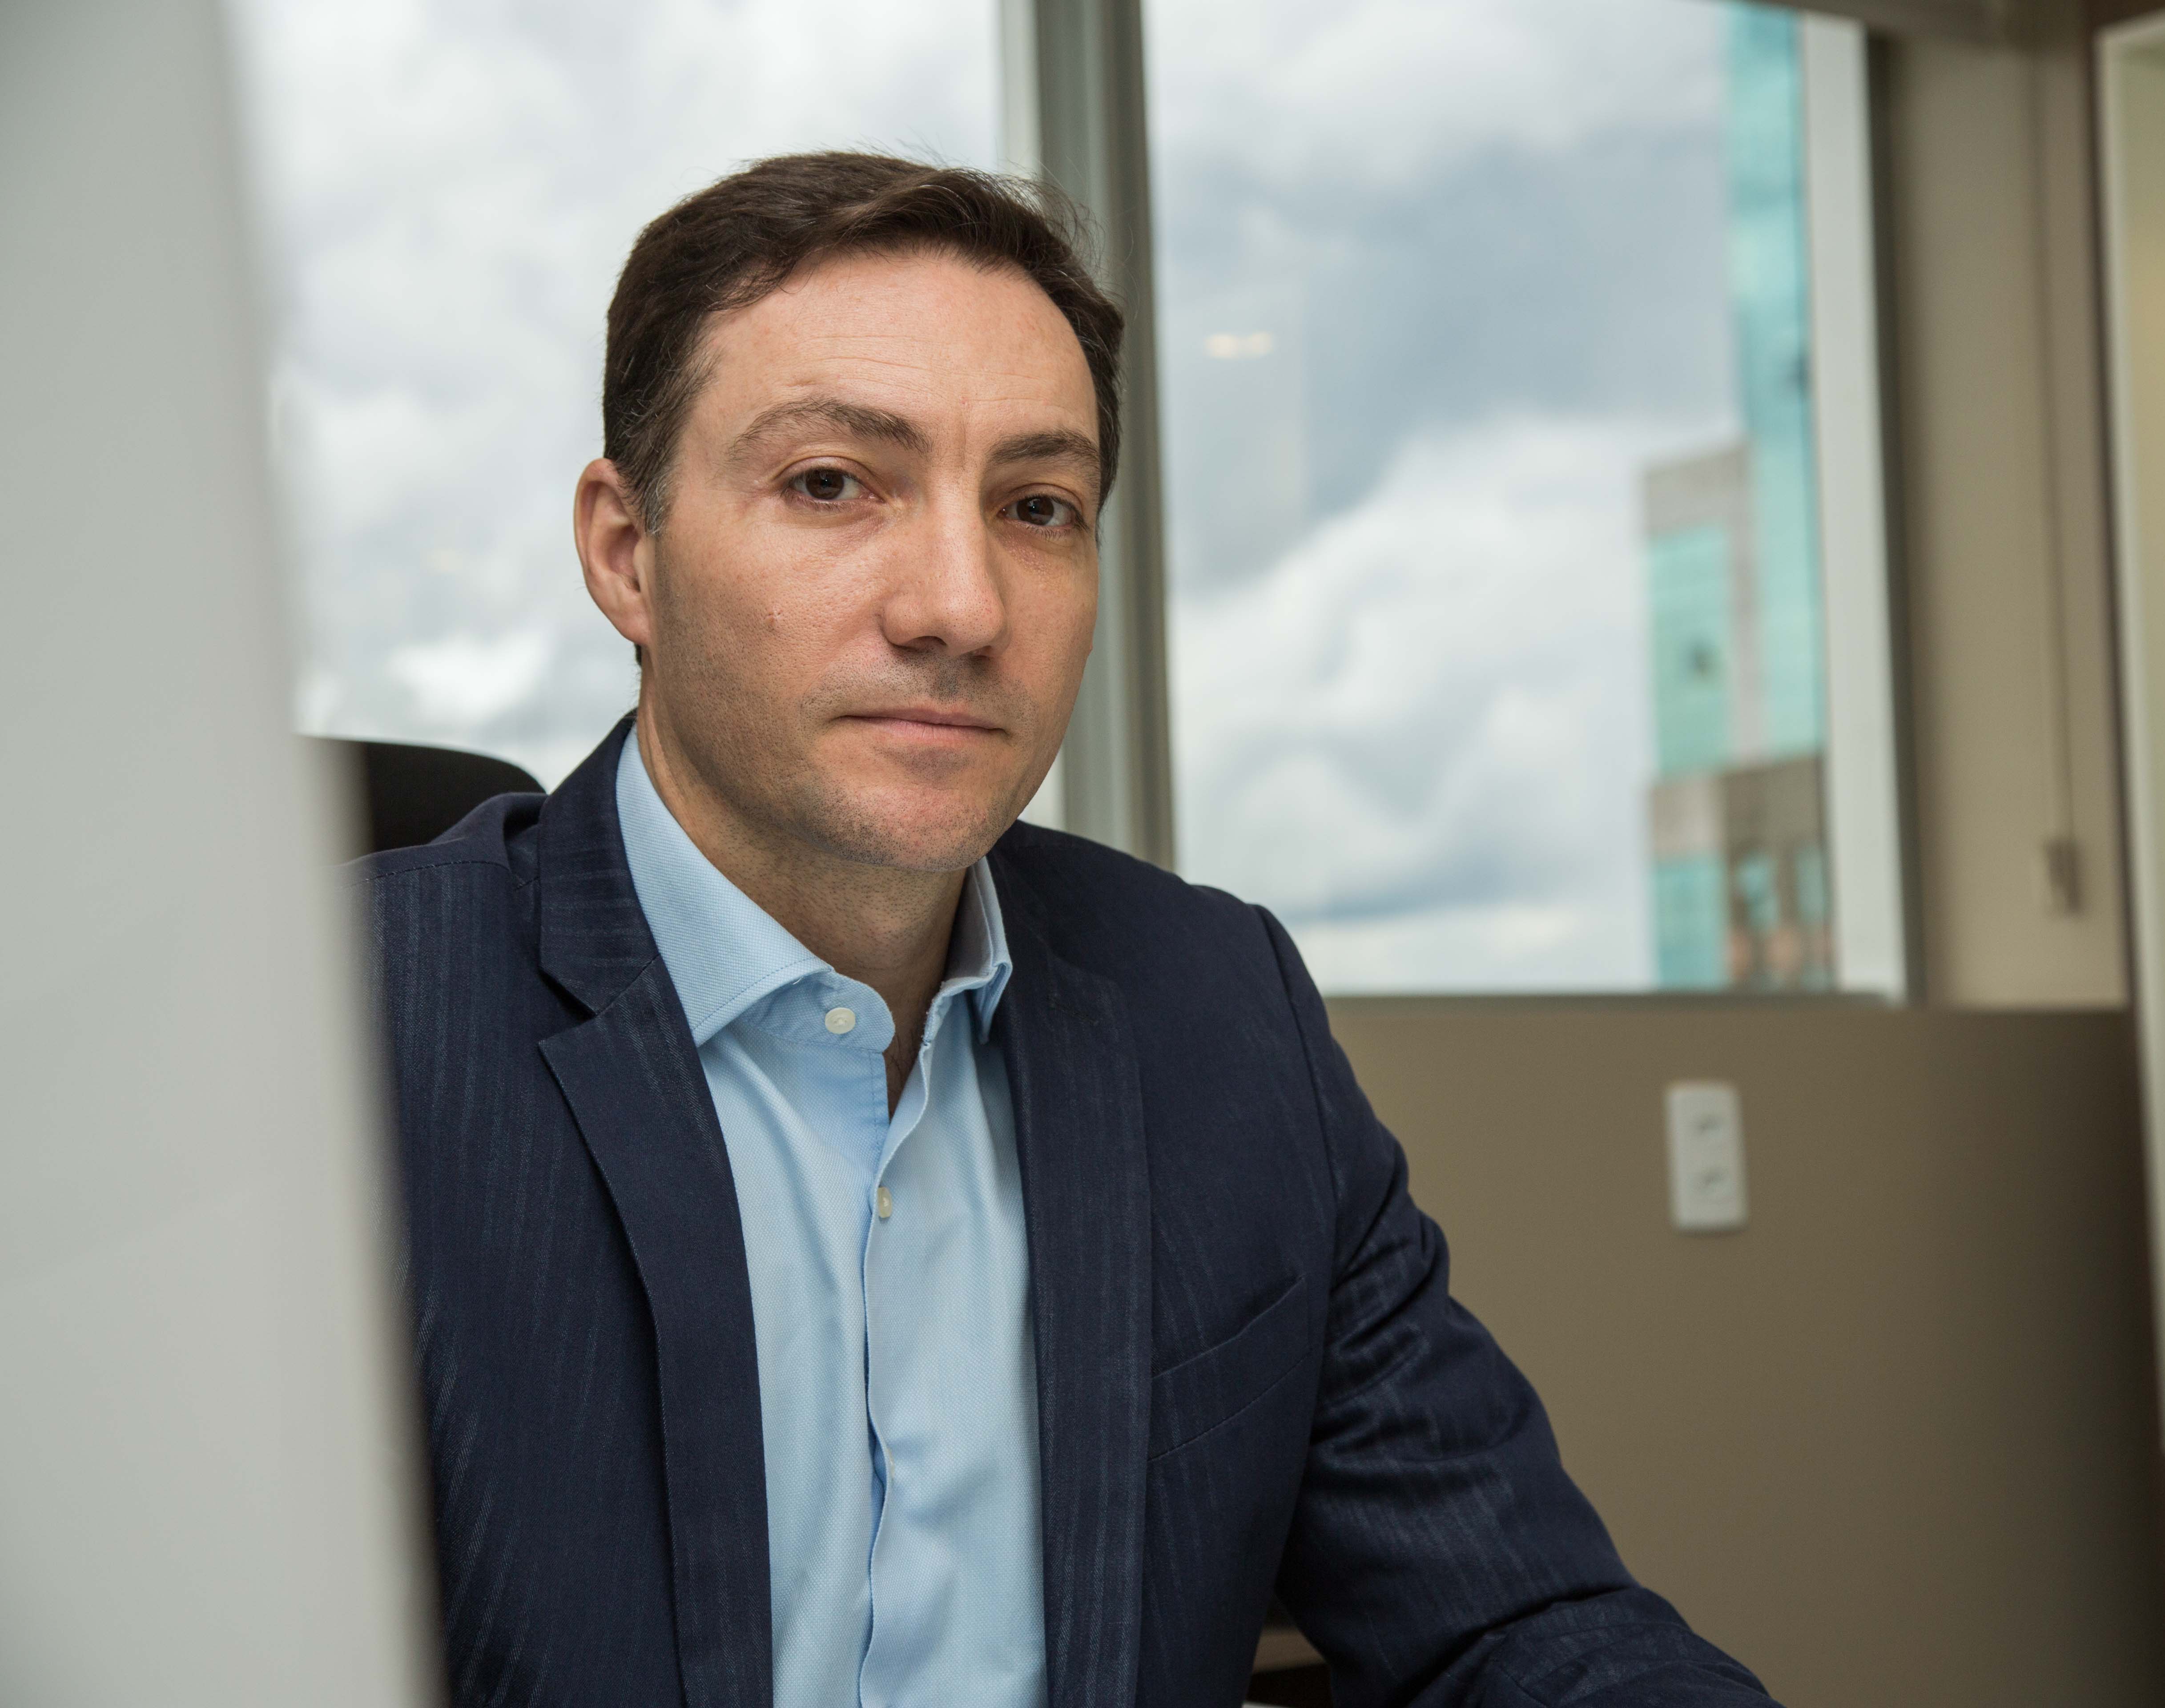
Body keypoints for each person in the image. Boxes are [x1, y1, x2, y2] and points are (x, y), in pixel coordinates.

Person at [362, 151, 1776, 1708]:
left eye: (1037, 508)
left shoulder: (1217, 1013)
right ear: (628, 554)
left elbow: (1513, 1625)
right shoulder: (335, 1031)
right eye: (833, 484)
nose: (962, 608)